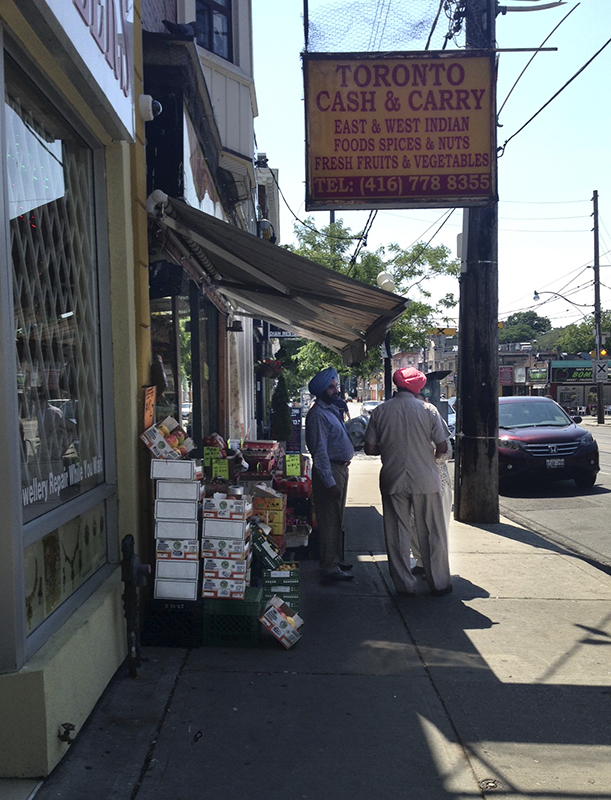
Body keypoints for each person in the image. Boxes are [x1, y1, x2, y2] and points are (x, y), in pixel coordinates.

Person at [364, 367, 452, 597]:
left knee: (397, 534)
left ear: (397, 385)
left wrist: (392, 448)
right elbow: (443, 447)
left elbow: (370, 448)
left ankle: (404, 585)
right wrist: (430, 458)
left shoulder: (380, 411)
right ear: (418, 387)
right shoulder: (428, 410)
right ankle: (439, 582)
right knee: (432, 531)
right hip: (426, 479)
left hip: (393, 478)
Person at [305, 367, 355, 582]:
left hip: (341, 468)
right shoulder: (317, 415)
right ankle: (329, 566)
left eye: (336, 386)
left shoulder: (330, 410)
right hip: (331, 470)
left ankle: (334, 559)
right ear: (322, 390)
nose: (336, 390)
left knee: (337, 518)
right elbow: (320, 452)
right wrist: (329, 481)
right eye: (331, 387)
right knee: (329, 520)